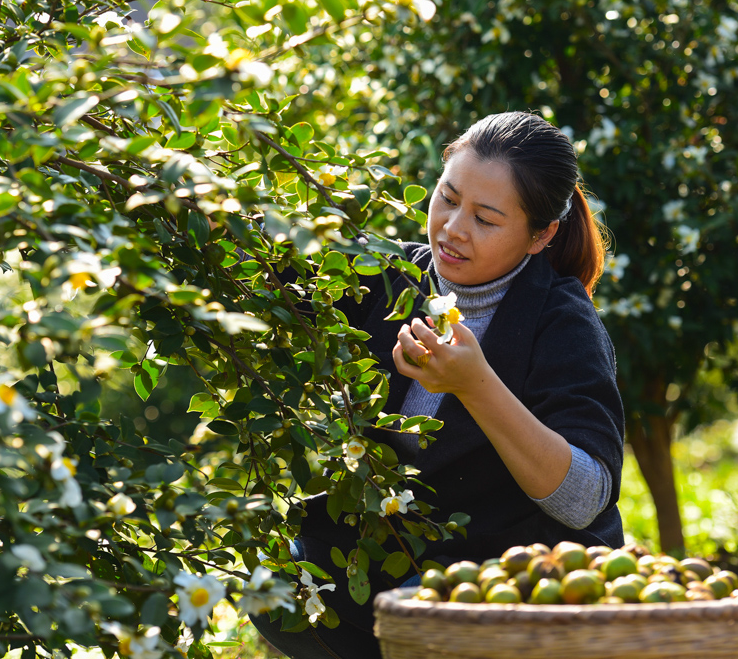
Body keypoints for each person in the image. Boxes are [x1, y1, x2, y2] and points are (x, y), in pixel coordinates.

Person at [251, 111, 624, 658]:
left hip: (516, 571)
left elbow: (585, 498)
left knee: (424, 617)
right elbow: (261, 265)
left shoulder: (560, 321)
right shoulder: (386, 275)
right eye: (447, 198)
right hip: (398, 554)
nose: (452, 229)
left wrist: (476, 385)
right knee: (277, 588)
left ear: (541, 235)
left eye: (486, 219)